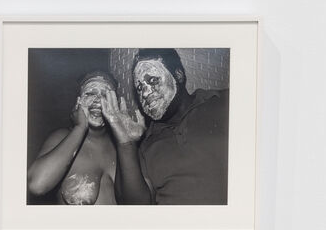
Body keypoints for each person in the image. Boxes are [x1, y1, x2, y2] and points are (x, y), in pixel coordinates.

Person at [104, 48, 230, 205]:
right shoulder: (145, 144)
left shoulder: (224, 103)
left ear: (179, 76)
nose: (145, 93)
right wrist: (126, 144)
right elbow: (136, 206)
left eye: (152, 80)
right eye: (140, 88)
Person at [27, 69, 121, 205]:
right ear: (78, 101)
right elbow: (36, 185)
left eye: (105, 95)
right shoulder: (62, 138)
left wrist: (127, 144)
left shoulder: (124, 146)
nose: (98, 100)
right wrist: (80, 128)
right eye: (90, 93)